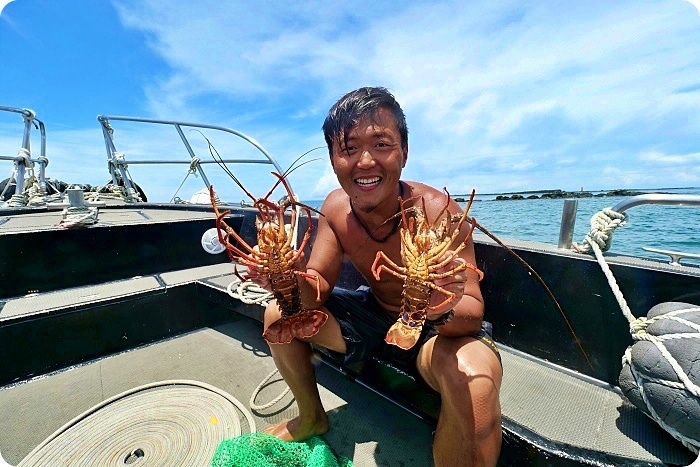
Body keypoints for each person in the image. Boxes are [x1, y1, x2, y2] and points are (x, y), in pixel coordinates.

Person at [257, 86, 502, 466]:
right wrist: (286, 282)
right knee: (277, 313)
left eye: (382, 144)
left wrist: (442, 307)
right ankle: (311, 417)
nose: (365, 162)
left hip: (434, 334)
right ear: (334, 159)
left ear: (404, 152)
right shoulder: (336, 208)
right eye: (349, 148)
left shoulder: (439, 210)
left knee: (478, 376)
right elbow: (317, 288)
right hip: (375, 318)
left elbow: (471, 308)